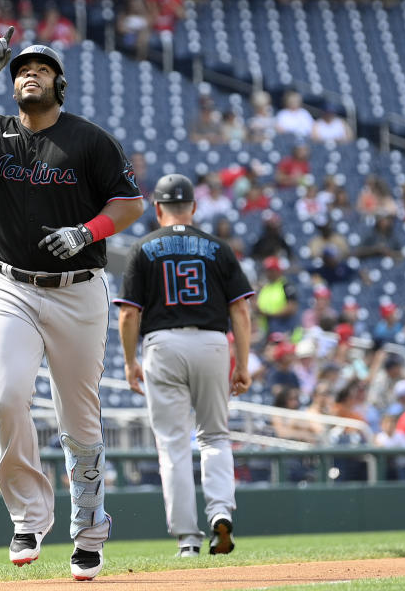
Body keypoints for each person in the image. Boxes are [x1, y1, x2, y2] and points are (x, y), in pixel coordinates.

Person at [0, 29, 144, 580]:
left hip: (78, 289)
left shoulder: (89, 140)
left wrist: (87, 231)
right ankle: (28, 515)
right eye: (22, 68)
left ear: (59, 83)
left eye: (41, 69)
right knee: (6, 397)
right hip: (10, 286)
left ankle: (89, 524)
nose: (29, 73)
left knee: (78, 417)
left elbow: (130, 203)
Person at [115, 173, 253, 558]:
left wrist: (130, 362)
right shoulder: (217, 247)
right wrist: (241, 363)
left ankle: (187, 539)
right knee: (214, 435)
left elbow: (128, 315)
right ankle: (221, 512)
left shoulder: (143, 248)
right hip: (211, 341)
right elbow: (240, 309)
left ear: (157, 209)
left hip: (163, 345)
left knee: (173, 445)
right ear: (193, 207)